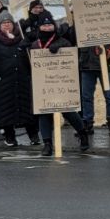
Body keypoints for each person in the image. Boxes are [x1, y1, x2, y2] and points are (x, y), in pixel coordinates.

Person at [29, 11, 90, 156]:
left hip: (61, 83)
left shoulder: (63, 41)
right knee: (43, 112)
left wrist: (59, 47)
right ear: (40, 27)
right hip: (44, 84)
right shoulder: (35, 45)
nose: (47, 27)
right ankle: (48, 144)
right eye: (44, 25)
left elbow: (72, 54)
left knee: (69, 111)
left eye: (50, 24)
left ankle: (83, 134)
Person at [0, 12, 39, 147]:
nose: (6, 25)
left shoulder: (22, 38)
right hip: (2, 82)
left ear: (13, 24)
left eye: (9, 22)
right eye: (3, 23)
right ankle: (9, 137)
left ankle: (33, 135)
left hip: (22, 79)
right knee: (5, 110)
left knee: (27, 109)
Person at [76, 42, 110, 137]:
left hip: (106, 65)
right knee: (86, 96)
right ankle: (87, 123)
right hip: (87, 64)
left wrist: (109, 51)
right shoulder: (81, 27)